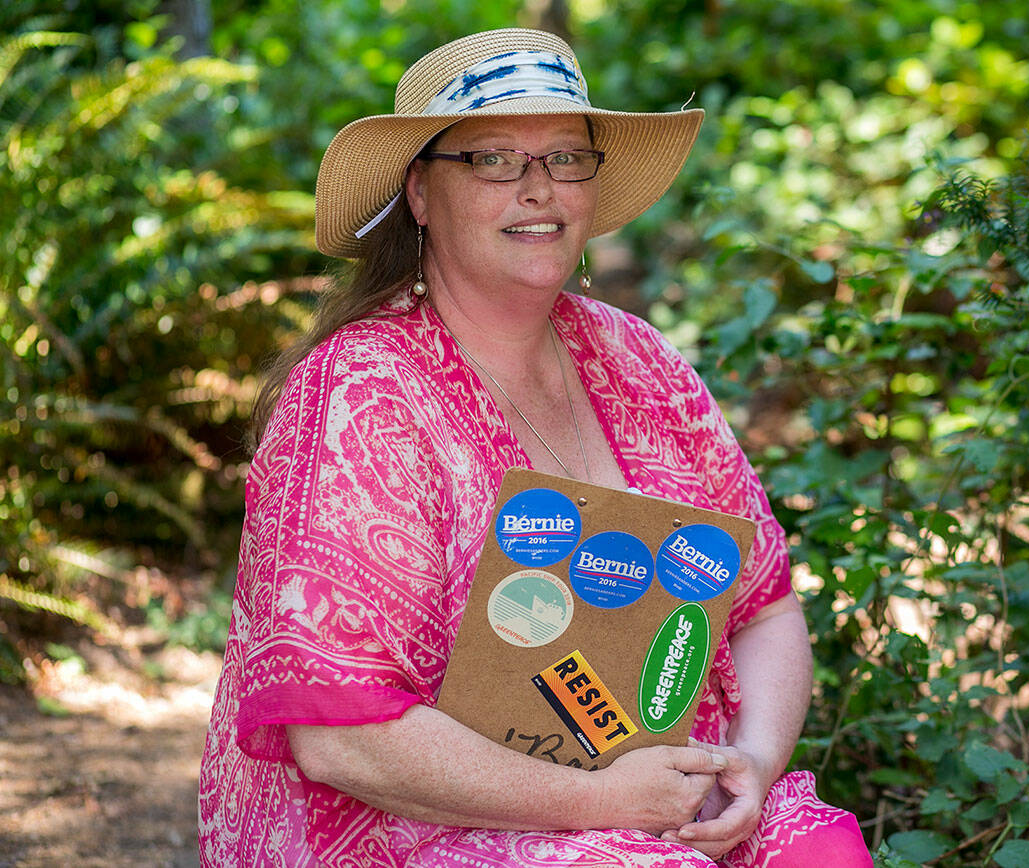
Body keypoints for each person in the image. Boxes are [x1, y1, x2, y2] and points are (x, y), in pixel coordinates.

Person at [198, 27, 874, 868]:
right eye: (491, 159)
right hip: (418, 827)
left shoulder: (641, 363)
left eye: (564, 157)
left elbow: (765, 605)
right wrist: (598, 802)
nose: (537, 188)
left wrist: (752, 767)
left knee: (820, 852)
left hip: (669, 802)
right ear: (418, 191)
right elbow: (338, 740)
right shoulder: (362, 393)